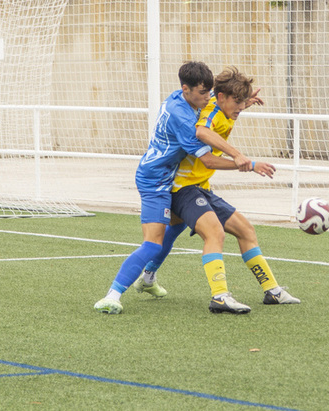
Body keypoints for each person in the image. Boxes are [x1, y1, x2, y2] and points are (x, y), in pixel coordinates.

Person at [94, 61, 260, 316]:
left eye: (210, 92)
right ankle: (112, 295)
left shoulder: (181, 99)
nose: (209, 98)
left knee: (177, 225)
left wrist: (241, 104)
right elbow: (207, 159)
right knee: (152, 244)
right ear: (186, 89)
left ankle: (148, 278)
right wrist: (244, 162)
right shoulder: (182, 118)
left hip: (169, 178)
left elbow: (213, 114)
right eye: (204, 93)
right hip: (155, 180)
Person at [135, 67, 297, 311]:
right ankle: (220, 296)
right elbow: (203, 132)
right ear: (221, 97)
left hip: (201, 188)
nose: (241, 107)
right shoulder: (210, 110)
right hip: (182, 189)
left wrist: (244, 102)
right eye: (237, 101)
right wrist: (245, 161)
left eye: (244, 101)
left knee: (245, 230)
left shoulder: (221, 107)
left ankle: (272, 291)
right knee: (214, 233)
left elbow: (222, 110)